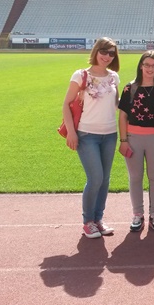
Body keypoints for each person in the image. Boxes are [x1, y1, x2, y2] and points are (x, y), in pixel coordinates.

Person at [62, 37, 121, 239]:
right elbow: (66, 104)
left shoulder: (114, 77)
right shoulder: (81, 75)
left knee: (105, 180)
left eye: (111, 53)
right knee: (95, 178)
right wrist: (71, 132)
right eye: (104, 51)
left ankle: (98, 219)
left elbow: (117, 104)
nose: (107, 56)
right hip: (87, 134)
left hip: (110, 134)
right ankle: (88, 222)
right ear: (96, 51)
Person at [118, 50, 154, 233]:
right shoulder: (130, 88)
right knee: (135, 178)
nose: (150, 68)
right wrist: (123, 140)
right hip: (133, 138)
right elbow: (123, 116)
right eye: (146, 64)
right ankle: (137, 214)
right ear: (140, 66)